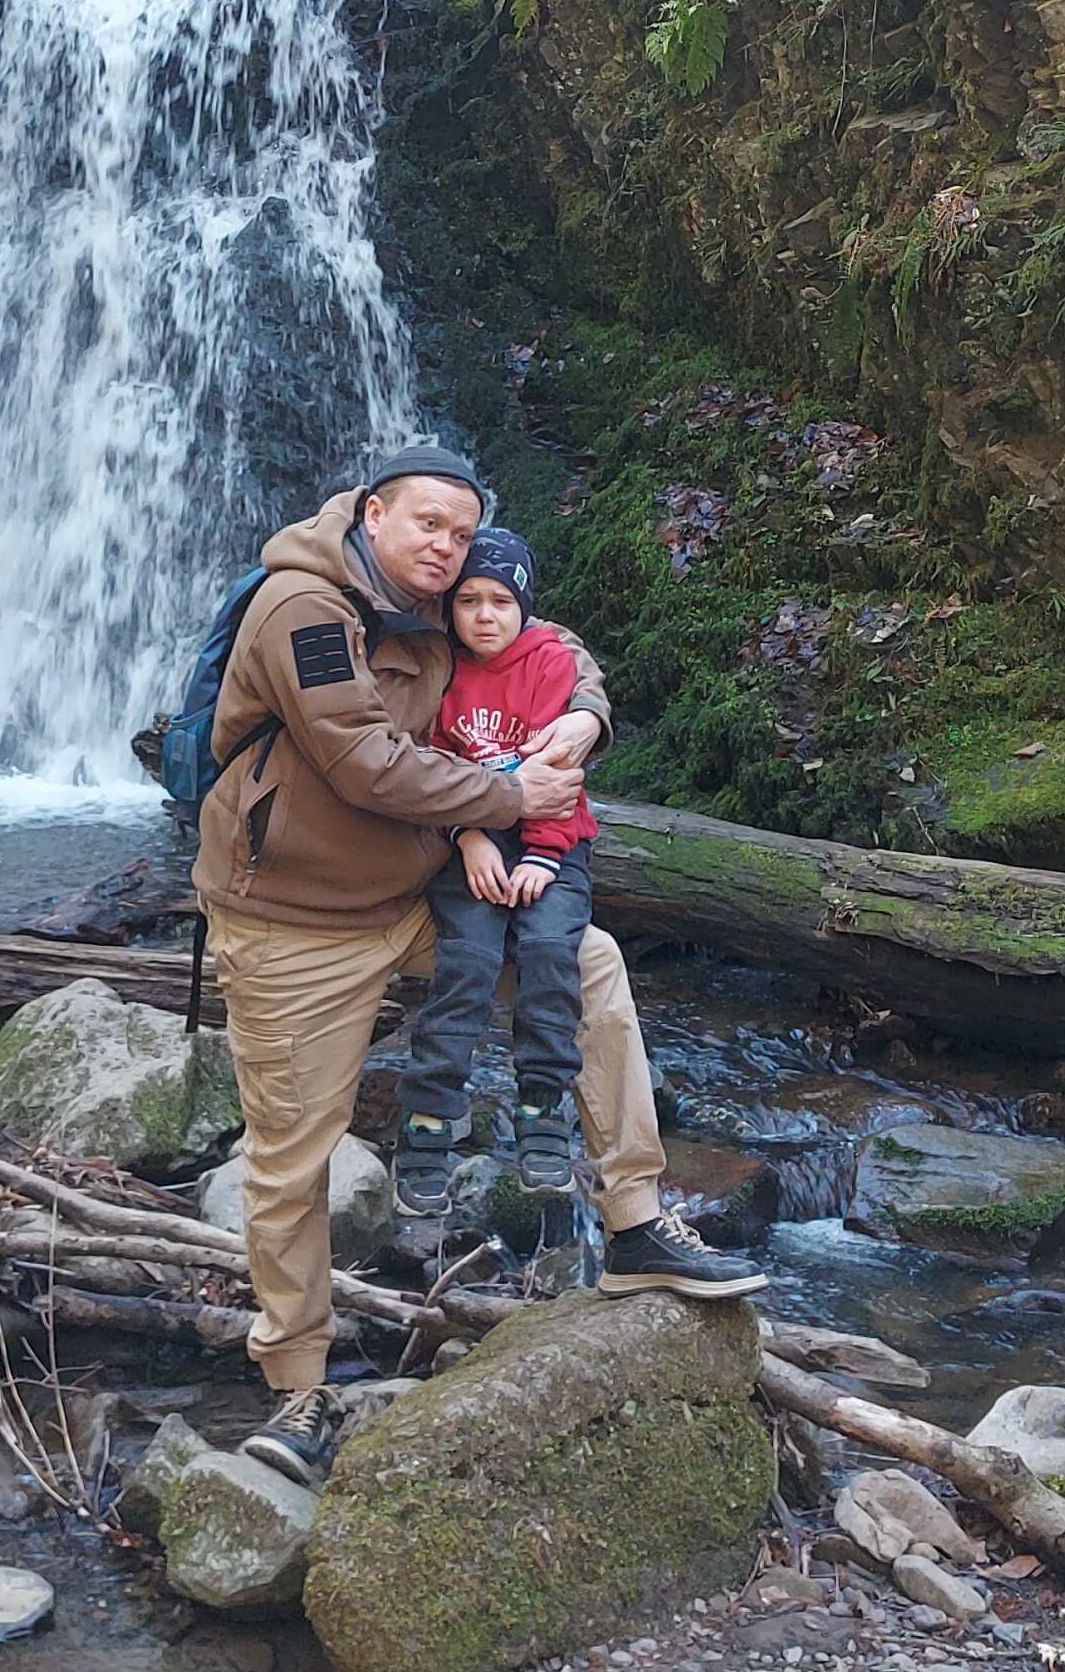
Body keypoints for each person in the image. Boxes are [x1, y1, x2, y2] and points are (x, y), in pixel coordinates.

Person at [192, 440, 767, 1494]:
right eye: (428, 526)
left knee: (590, 963)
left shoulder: (446, 599)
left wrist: (585, 716)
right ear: (372, 516)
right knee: (290, 1154)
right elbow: (361, 761)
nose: (447, 549)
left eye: (461, 534)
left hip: (413, 897)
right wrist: (509, 806)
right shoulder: (302, 611)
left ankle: (635, 1220)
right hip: (291, 918)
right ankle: (300, 1378)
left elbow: (551, 647)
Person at [392, 523, 605, 1218]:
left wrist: (542, 853)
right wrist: (470, 836)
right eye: (469, 601)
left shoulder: (548, 662)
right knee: (469, 959)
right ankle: (428, 1121)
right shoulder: (438, 668)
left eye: (501, 602)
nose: (485, 616)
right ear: (448, 607)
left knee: (549, 948)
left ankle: (544, 1105)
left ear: (525, 608)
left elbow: (556, 771)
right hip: (467, 842)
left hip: (555, 839)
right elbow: (430, 767)